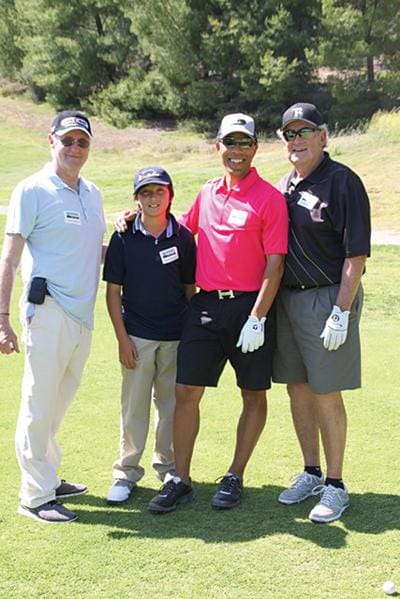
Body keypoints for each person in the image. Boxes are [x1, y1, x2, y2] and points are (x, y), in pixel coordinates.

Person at [147, 113, 288, 513]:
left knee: (253, 392)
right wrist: (137, 217)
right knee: (185, 392)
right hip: (206, 306)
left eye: (244, 142)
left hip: (250, 308)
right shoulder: (207, 192)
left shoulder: (270, 198)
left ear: (255, 148)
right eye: (230, 142)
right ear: (218, 147)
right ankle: (181, 479)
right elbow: (178, 229)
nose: (236, 151)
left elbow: (275, 264)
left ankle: (234, 475)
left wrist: (258, 317)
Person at [0, 110, 106, 523]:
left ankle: (46, 475)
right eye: (68, 141)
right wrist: (2, 318)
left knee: (57, 404)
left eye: (82, 142)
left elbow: (90, 249)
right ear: (51, 142)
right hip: (47, 311)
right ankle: (34, 496)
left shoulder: (92, 193)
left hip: (83, 315)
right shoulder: (32, 189)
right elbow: (9, 259)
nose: (75, 148)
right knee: (38, 403)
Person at [273, 102, 371, 523]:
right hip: (288, 300)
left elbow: (356, 254)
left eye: (305, 132)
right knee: (297, 388)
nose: (297, 140)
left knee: (325, 391)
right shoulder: (284, 185)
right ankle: (311, 472)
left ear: (323, 136)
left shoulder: (343, 181)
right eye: (290, 134)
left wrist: (340, 311)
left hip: (327, 298)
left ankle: (335, 484)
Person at [103, 166, 196, 505]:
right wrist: (122, 339)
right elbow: (113, 292)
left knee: (170, 406)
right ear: (136, 199)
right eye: (146, 192)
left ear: (170, 195)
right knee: (134, 406)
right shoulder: (123, 236)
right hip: (137, 337)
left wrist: (191, 336)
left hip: (175, 336)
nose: (153, 198)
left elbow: (189, 288)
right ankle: (126, 472)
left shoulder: (183, 237)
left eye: (159, 191)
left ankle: (168, 468)